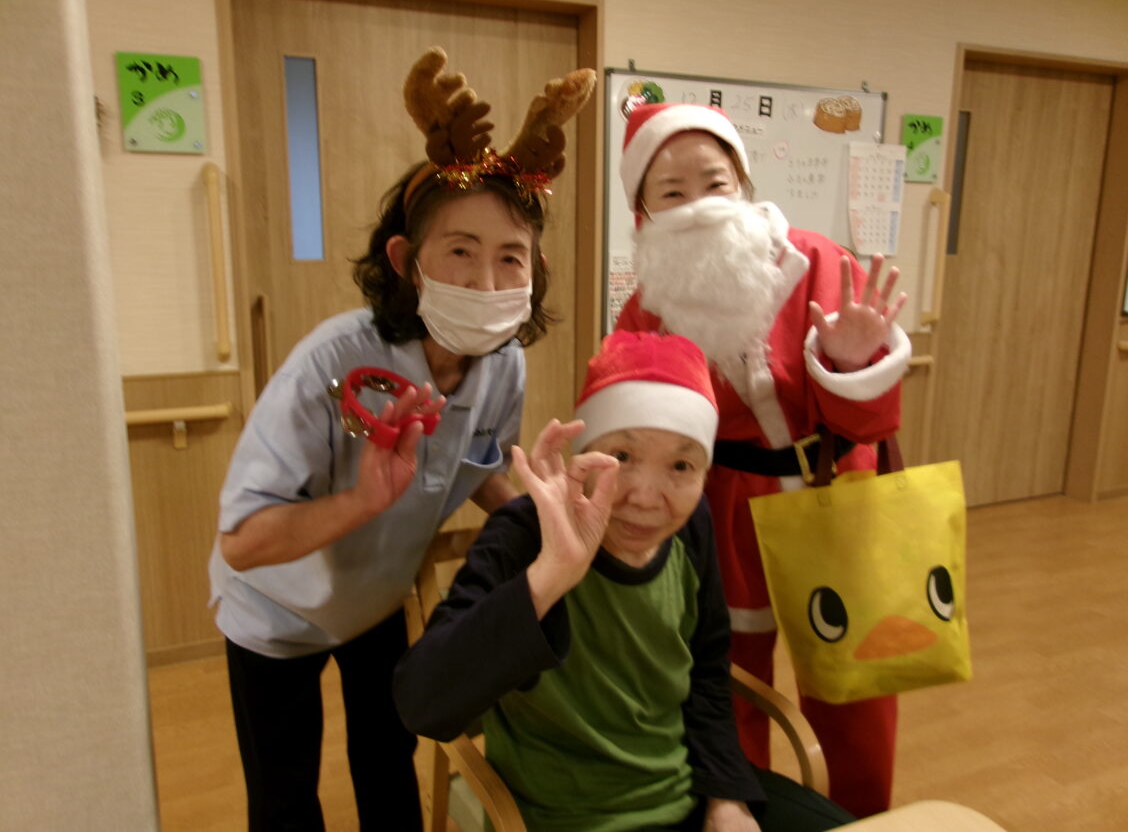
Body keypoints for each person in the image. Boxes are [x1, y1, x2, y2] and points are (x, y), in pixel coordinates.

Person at [207, 47, 595, 831]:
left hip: (377, 601)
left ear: (535, 270)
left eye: (510, 258)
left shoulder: (502, 367)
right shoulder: (331, 363)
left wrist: (550, 519)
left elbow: (480, 465)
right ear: (407, 262)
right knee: (284, 796)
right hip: (275, 608)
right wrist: (362, 501)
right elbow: (243, 544)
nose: (487, 284)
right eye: (460, 252)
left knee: (389, 768)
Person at [394, 330, 856, 832]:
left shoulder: (692, 526)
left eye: (681, 465)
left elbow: (707, 670)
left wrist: (726, 799)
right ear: (584, 451)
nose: (646, 497)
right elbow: (423, 706)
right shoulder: (525, 535)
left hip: (689, 789)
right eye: (622, 457)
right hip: (569, 817)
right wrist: (550, 576)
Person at [613, 103, 911, 817]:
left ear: (742, 184)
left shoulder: (821, 262)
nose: (698, 205)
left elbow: (869, 421)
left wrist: (851, 363)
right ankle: (747, 813)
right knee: (728, 679)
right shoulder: (648, 307)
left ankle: (859, 820)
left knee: (855, 680)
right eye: (672, 191)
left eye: (714, 183)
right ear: (644, 212)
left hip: (834, 493)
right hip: (720, 505)